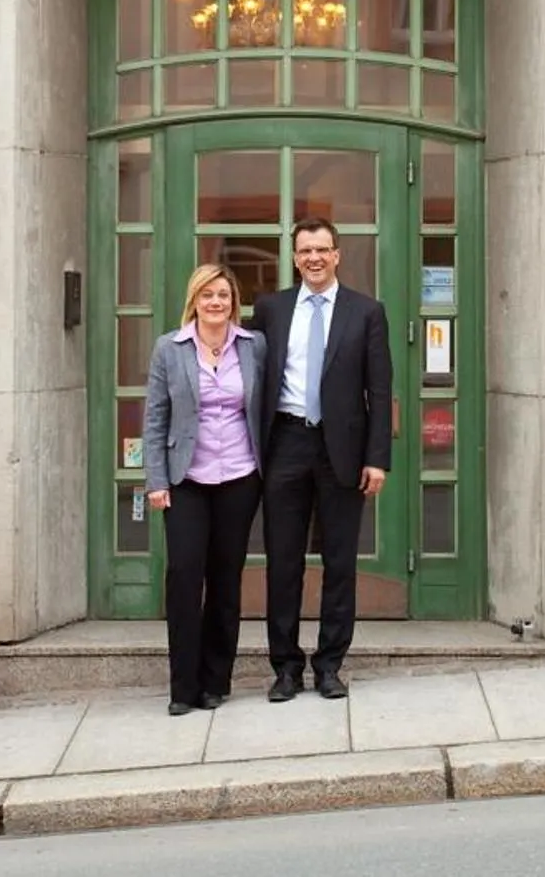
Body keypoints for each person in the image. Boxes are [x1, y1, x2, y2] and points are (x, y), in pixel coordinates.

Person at [251, 216, 391, 702]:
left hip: (342, 452)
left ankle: (330, 665)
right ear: (295, 258)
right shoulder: (270, 309)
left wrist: (377, 458)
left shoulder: (366, 312)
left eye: (322, 250)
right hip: (286, 443)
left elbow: (380, 390)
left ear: (337, 255)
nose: (314, 258)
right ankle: (286, 668)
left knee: (340, 561)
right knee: (282, 562)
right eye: (305, 250)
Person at [141, 262, 265, 717]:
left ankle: (216, 682)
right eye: (207, 295)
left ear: (234, 302)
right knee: (184, 577)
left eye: (223, 295)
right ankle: (183, 687)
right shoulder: (169, 349)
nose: (216, 302)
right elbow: (155, 418)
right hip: (186, 480)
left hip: (239, 477)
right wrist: (156, 480)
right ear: (194, 301)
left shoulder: (253, 346)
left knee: (226, 580)